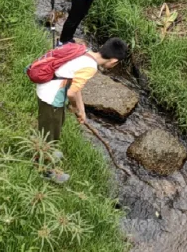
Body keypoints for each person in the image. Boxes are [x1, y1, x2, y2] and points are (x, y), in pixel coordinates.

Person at [36, 39, 129, 180]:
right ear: (113, 61)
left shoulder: (84, 52)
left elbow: (75, 86)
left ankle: (47, 151)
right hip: (50, 97)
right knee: (50, 132)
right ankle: (44, 168)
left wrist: (81, 110)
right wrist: (74, 106)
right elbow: (71, 93)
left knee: (56, 124)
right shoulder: (90, 67)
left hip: (49, 90)